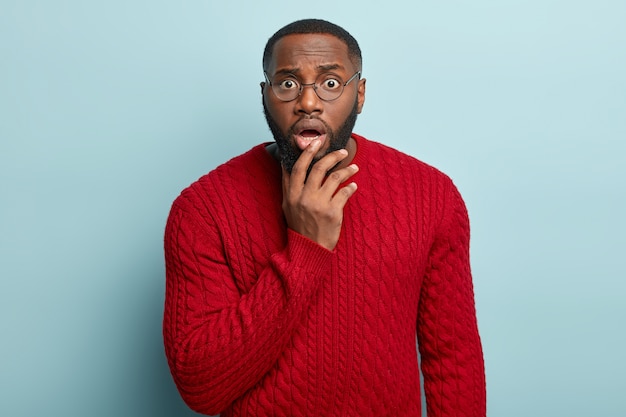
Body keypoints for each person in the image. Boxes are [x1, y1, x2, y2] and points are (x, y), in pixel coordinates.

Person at [163, 19, 486, 417]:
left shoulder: (432, 196)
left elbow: (453, 360)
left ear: (360, 93)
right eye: (288, 84)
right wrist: (306, 248)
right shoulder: (203, 209)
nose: (309, 103)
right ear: (265, 96)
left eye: (331, 84)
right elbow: (200, 387)